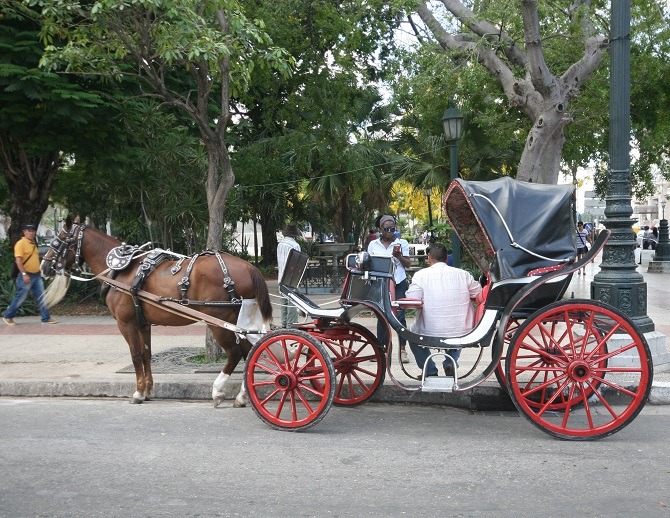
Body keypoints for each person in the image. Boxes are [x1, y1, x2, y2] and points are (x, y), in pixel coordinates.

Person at [405, 243, 481, 378]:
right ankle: (450, 361)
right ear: (447, 259)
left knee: (410, 333)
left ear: (429, 259)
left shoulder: (420, 275)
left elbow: (412, 300)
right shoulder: (464, 275)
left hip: (429, 330)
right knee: (458, 328)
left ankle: (429, 370)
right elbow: (478, 294)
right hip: (461, 331)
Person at [368, 215, 411, 363]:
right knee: (382, 316)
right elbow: (369, 264)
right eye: (386, 229)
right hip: (380, 283)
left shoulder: (402, 243)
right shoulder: (373, 245)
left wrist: (399, 256)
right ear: (381, 229)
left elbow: (408, 264)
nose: (390, 231)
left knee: (400, 316)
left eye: (392, 228)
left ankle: (402, 349)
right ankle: (380, 349)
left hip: (398, 282)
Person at [3, 224, 58, 325]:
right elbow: (18, 260)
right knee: (20, 297)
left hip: (36, 275)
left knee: (42, 297)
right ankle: (8, 316)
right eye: (29, 230)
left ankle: (46, 318)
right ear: (24, 232)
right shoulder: (20, 243)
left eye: (33, 230)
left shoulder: (33, 244)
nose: (31, 232)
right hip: (26, 275)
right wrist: (24, 274)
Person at [277, 223, 302, 328]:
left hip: (281, 276)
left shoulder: (280, 244)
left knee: (283, 301)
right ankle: (291, 324)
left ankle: (283, 323)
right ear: (295, 235)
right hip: (292, 278)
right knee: (292, 302)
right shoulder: (295, 245)